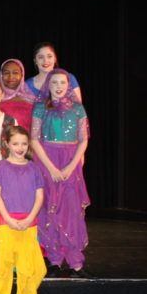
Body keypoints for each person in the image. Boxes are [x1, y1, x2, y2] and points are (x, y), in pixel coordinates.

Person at [31, 69, 91, 278]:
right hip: (47, 161)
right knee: (50, 208)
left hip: (70, 161)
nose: (58, 86)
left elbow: (83, 140)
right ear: (48, 85)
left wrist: (71, 166)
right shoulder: (40, 107)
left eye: (62, 83)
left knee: (71, 210)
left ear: (68, 85)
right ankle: (55, 260)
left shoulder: (78, 108)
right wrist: (52, 168)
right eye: (54, 82)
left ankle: (75, 261)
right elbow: (34, 139)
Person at [0, 126, 46, 294]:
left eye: (24, 143)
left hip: (28, 223)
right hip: (5, 223)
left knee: (29, 266)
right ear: (7, 144)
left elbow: (39, 196)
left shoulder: (33, 168)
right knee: (2, 264)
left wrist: (30, 218)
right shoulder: (1, 167)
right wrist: (7, 218)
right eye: (16, 143)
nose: (20, 147)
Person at [0, 58, 35, 131]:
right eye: (6, 73)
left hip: (28, 141)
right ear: (1, 75)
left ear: (22, 75)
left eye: (15, 73)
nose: (10, 77)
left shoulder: (31, 98)